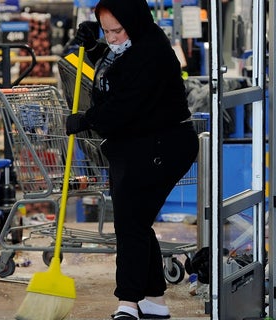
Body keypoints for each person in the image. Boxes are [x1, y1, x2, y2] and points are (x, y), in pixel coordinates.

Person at [65, 0, 199, 319]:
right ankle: (153, 301)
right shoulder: (138, 42)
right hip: (142, 144)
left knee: (131, 223)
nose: (112, 37)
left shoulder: (150, 52)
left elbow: (125, 103)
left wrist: (86, 119)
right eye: (106, 30)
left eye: (116, 30)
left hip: (161, 147)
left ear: (133, 23)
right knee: (135, 221)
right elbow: (115, 69)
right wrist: (94, 47)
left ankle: (128, 303)